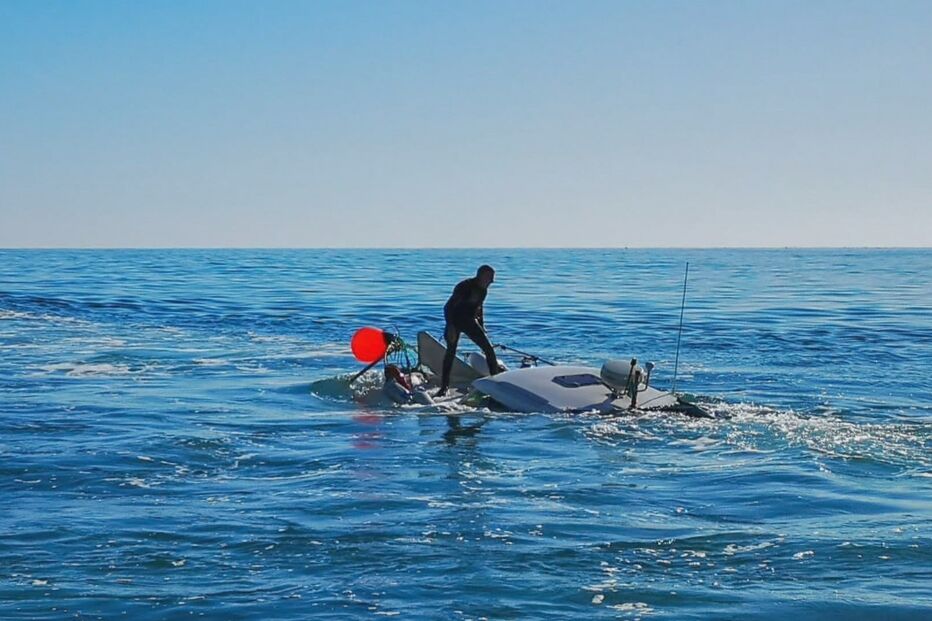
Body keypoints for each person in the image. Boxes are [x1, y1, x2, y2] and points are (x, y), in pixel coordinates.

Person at [437, 265, 502, 396]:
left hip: (470, 322)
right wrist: (450, 326)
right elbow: (448, 307)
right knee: (451, 352)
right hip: (454, 321)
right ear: (481, 275)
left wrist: (482, 325)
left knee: (488, 349)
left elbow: (479, 308)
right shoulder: (464, 286)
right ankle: (444, 387)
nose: (492, 281)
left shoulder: (483, 290)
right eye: (490, 278)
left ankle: (496, 382)